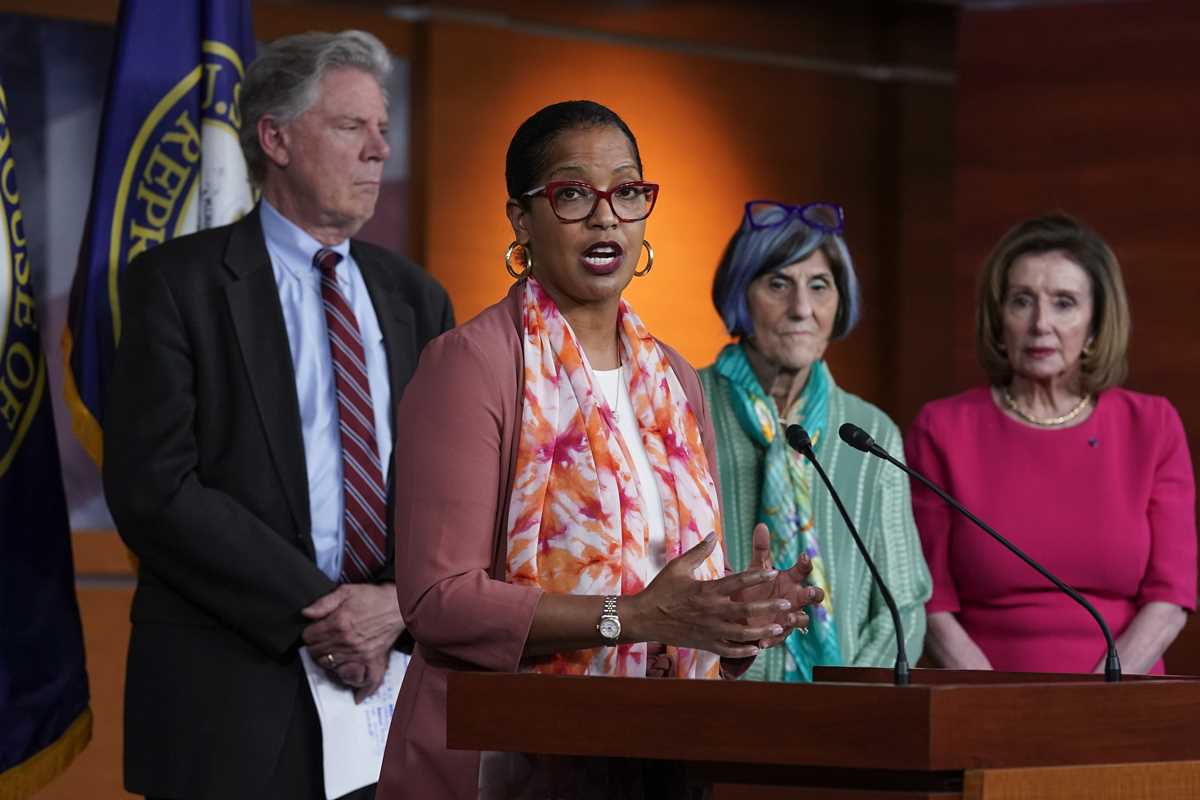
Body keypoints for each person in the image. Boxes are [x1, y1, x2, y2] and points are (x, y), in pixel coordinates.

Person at [375, 101, 818, 800]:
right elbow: (438, 601)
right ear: (522, 220)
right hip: (510, 757)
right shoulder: (471, 365)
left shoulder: (670, 376)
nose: (606, 216)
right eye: (574, 193)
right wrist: (633, 617)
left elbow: (680, 597)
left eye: (628, 191)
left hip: (659, 751)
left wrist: (734, 616)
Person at [102, 31, 454, 799]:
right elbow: (154, 488)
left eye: (384, 131)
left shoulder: (416, 298)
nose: (377, 153)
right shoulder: (175, 284)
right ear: (275, 137)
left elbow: (454, 491)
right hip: (229, 691)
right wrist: (329, 614)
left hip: (388, 694)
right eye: (350, 126)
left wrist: (396, 606)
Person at [906, 213, 1196, 674]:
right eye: (1022, 301)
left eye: (1064, 303)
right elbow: (927, 598)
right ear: (999, 319)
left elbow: (1171, 597)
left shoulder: (1152, 425)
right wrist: (996, 703)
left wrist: (1098, 694)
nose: (1041, 323)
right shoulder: (943, 429)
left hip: (1119, 697)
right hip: (979, 700)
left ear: (1096, 323)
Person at [698, 201, 931, 682]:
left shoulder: (870, 432)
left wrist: (849, 700)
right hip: (709, 706)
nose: (802, 309)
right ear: (741, 293)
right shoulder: (681, 405)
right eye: (778, 284)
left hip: (844, 717)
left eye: (819, 287)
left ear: (839, 302)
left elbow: (901, 607)